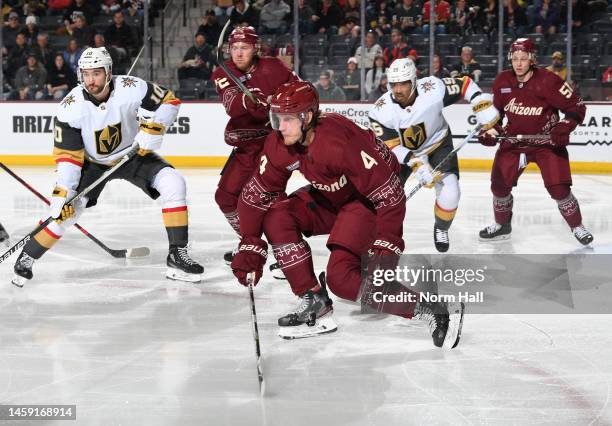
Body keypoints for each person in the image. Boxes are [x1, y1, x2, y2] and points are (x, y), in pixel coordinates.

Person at [230, 81, 464, 348]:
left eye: (286, 119)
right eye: (276, 119)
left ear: (306, 117)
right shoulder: (279, 143)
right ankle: (314, 300)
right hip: (330, 197)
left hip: (365, 202)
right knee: (277, 217)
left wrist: (386, 246)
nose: (279, 127)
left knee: (342, 280)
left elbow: (389, 195)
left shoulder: (341, 142)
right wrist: (250, 243)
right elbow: (256, 195)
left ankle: (431, 308)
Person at [11, 47, 203, 287]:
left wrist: (156, 126)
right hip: (93, 164)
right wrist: (63, 194)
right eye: (86, 74)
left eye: (97, 74)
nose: (91, 80)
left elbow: (169, 101)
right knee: (67, 212)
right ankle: (27, 257)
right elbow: (68, 157)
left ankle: (177, 256)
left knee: (174, 183)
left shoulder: (131, 87)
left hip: (133, 154)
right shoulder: (70, 107)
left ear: (109, 72)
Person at [369, 58, 499, 252]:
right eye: (393, 84)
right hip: (404, 154)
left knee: (451, 192)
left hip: (438, 144)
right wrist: (417, 164)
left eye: (403, 84)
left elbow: (465, 84)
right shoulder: (380, 111)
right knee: (387, 197)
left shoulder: (433, 88)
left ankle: (441, 227)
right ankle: (382, 236)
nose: (397, 90)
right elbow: (391, 146)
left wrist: (480, 102)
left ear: (414, 81)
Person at [477, 38, 592, 246]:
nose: (518, 63)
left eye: (523, 58)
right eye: (515, 58)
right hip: (513, 143)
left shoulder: (549, 80)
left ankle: (577, 227)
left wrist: (564, 125)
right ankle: (502, 225)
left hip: (546, 143)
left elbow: (576, 105)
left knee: (559, 189)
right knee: (499, 187)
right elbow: (496, 116)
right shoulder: (502, 81)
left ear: (532, 59)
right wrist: (490, 130)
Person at [211, 26, 297, 267]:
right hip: (246, 148)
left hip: (274, 144)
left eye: (244, 48)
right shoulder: (222, 71)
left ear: (255, 48)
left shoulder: (275, 67)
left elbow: (300, 90)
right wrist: (250, 100)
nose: (238, 53)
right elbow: (231, 105)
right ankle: (252, 244)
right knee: (226, 197)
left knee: (270, 200)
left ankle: (287, 252)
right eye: (235, 48)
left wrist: (278, 101)